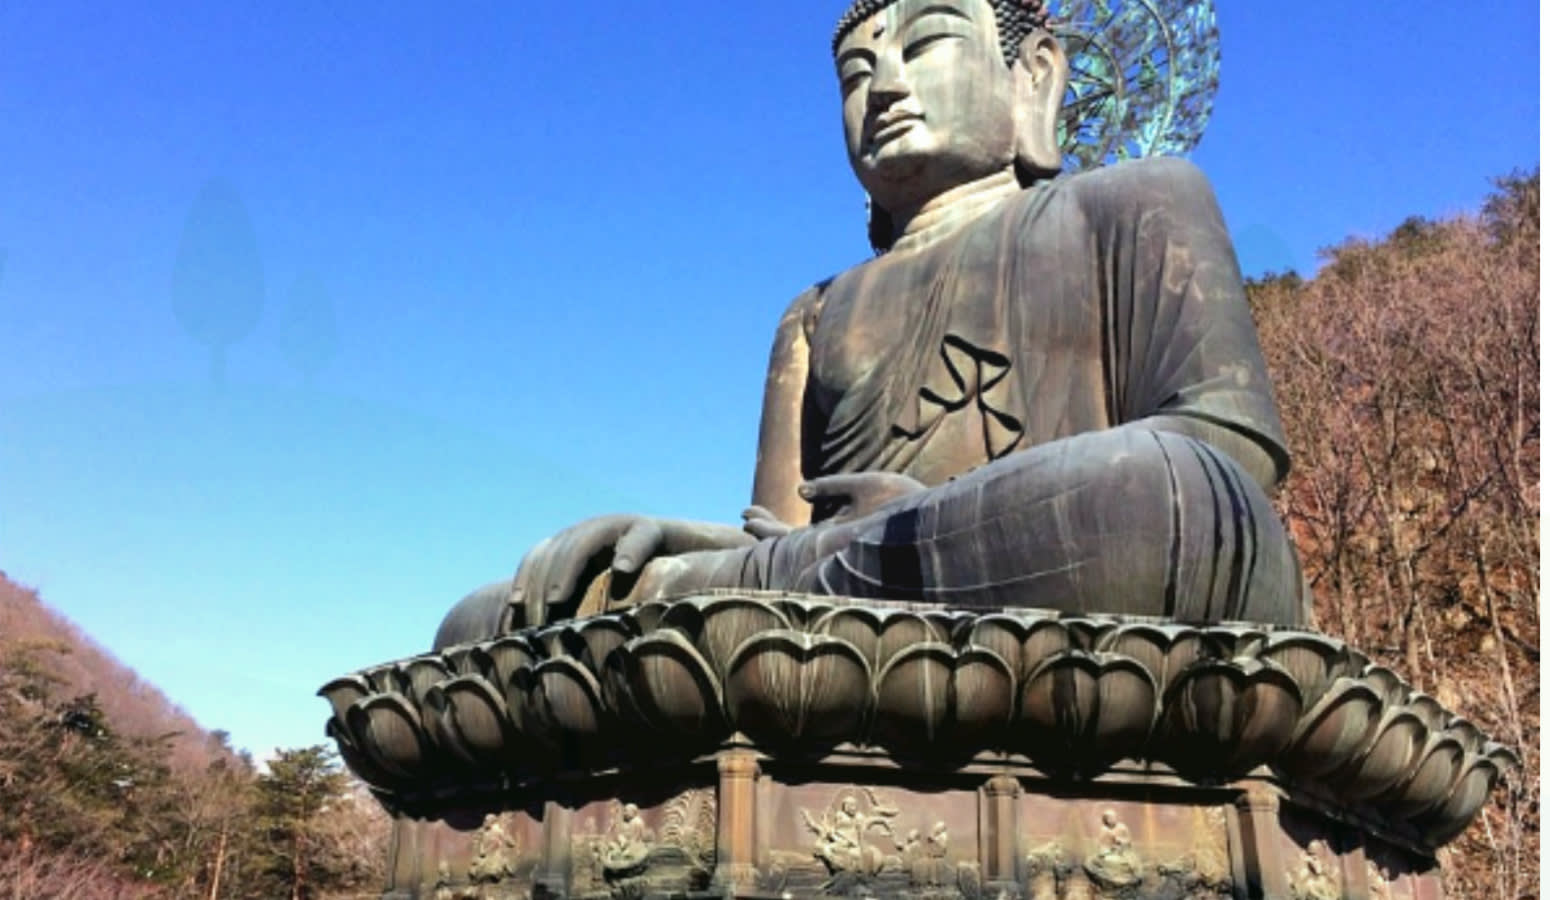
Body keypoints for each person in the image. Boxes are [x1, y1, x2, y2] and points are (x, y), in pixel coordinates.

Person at [433, 0, 1305, 649]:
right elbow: (778, 544)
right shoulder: (816, 310)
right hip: (838, 591)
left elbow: (1226, 453)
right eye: (855, 75)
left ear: (1033, 76)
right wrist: (675, 545)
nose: (884, 87)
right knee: (489, 620)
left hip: (1063, 548)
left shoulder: (1137, 201)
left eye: (924, 46)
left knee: (1163, 497)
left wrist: (925, 523)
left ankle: (891, 564)